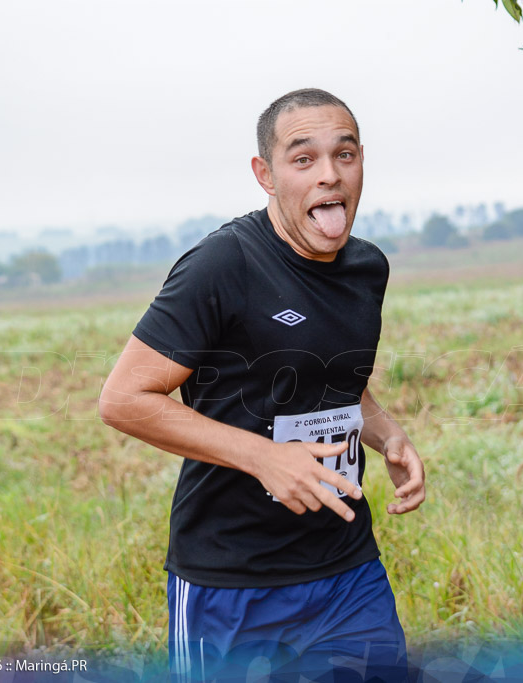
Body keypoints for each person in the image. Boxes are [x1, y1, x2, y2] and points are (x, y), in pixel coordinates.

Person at [99, 88, 425, 681]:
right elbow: (123, 400)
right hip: (234, 584)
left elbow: (338, 379)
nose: (329, 176)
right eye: (304, 159)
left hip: (347, 568)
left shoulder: (366, 268)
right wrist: (265, 458)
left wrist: (387, 435)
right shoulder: (224, 264)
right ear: (265, 174)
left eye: (344, 155)